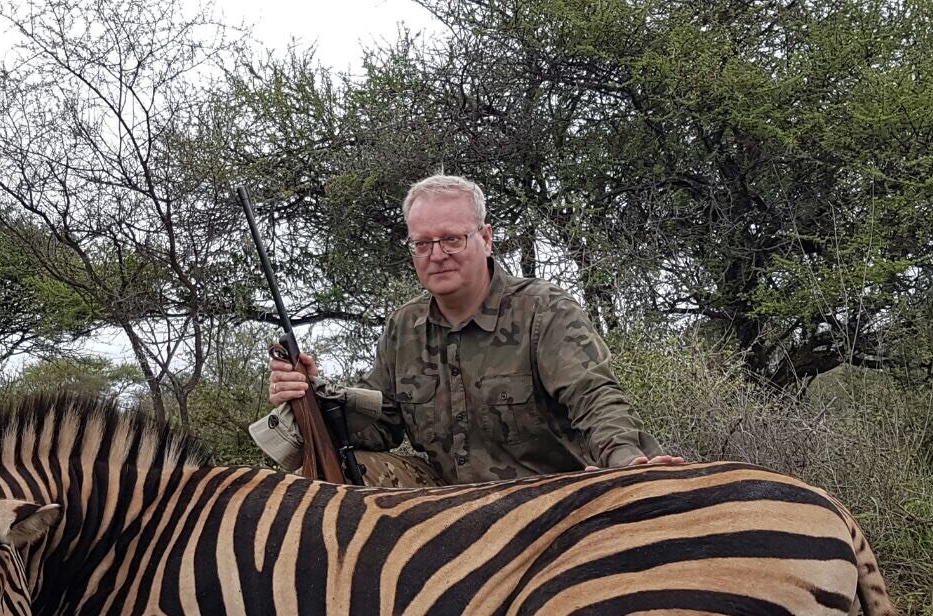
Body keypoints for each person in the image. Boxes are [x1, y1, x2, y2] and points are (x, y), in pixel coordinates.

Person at [250, 174, 681, 486]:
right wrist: (306, 395)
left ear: (486, 238)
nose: (437, 255)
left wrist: (627, 459)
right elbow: (379, 426)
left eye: (452, 239)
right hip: (446, 507)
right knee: (340, 473)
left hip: (545, 497)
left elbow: (595, 398)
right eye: (422, 244)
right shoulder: (404, 326)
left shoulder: (543, 309)